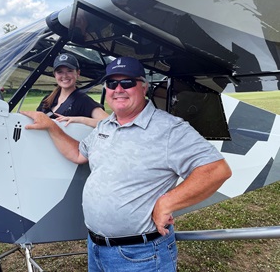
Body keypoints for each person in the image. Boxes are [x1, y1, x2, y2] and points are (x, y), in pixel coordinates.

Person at [22, 56, 232, 272]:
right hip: (96, 247)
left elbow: (216, 170)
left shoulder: (169, 129)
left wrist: (166, 203)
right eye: (112, 83)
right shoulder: (105, 125)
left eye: (127, 82)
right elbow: (78, 153)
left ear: (143, 87)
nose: (118, 89)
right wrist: (51, 127)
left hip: (141, 254)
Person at [37, 53, 108, 128]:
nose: (64, 76)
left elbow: (107, 123)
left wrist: (80, 120)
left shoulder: (83, 101)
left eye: (69, 71)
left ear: (78, 73)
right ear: (54, 74)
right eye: (59, 72)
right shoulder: (47, 99)